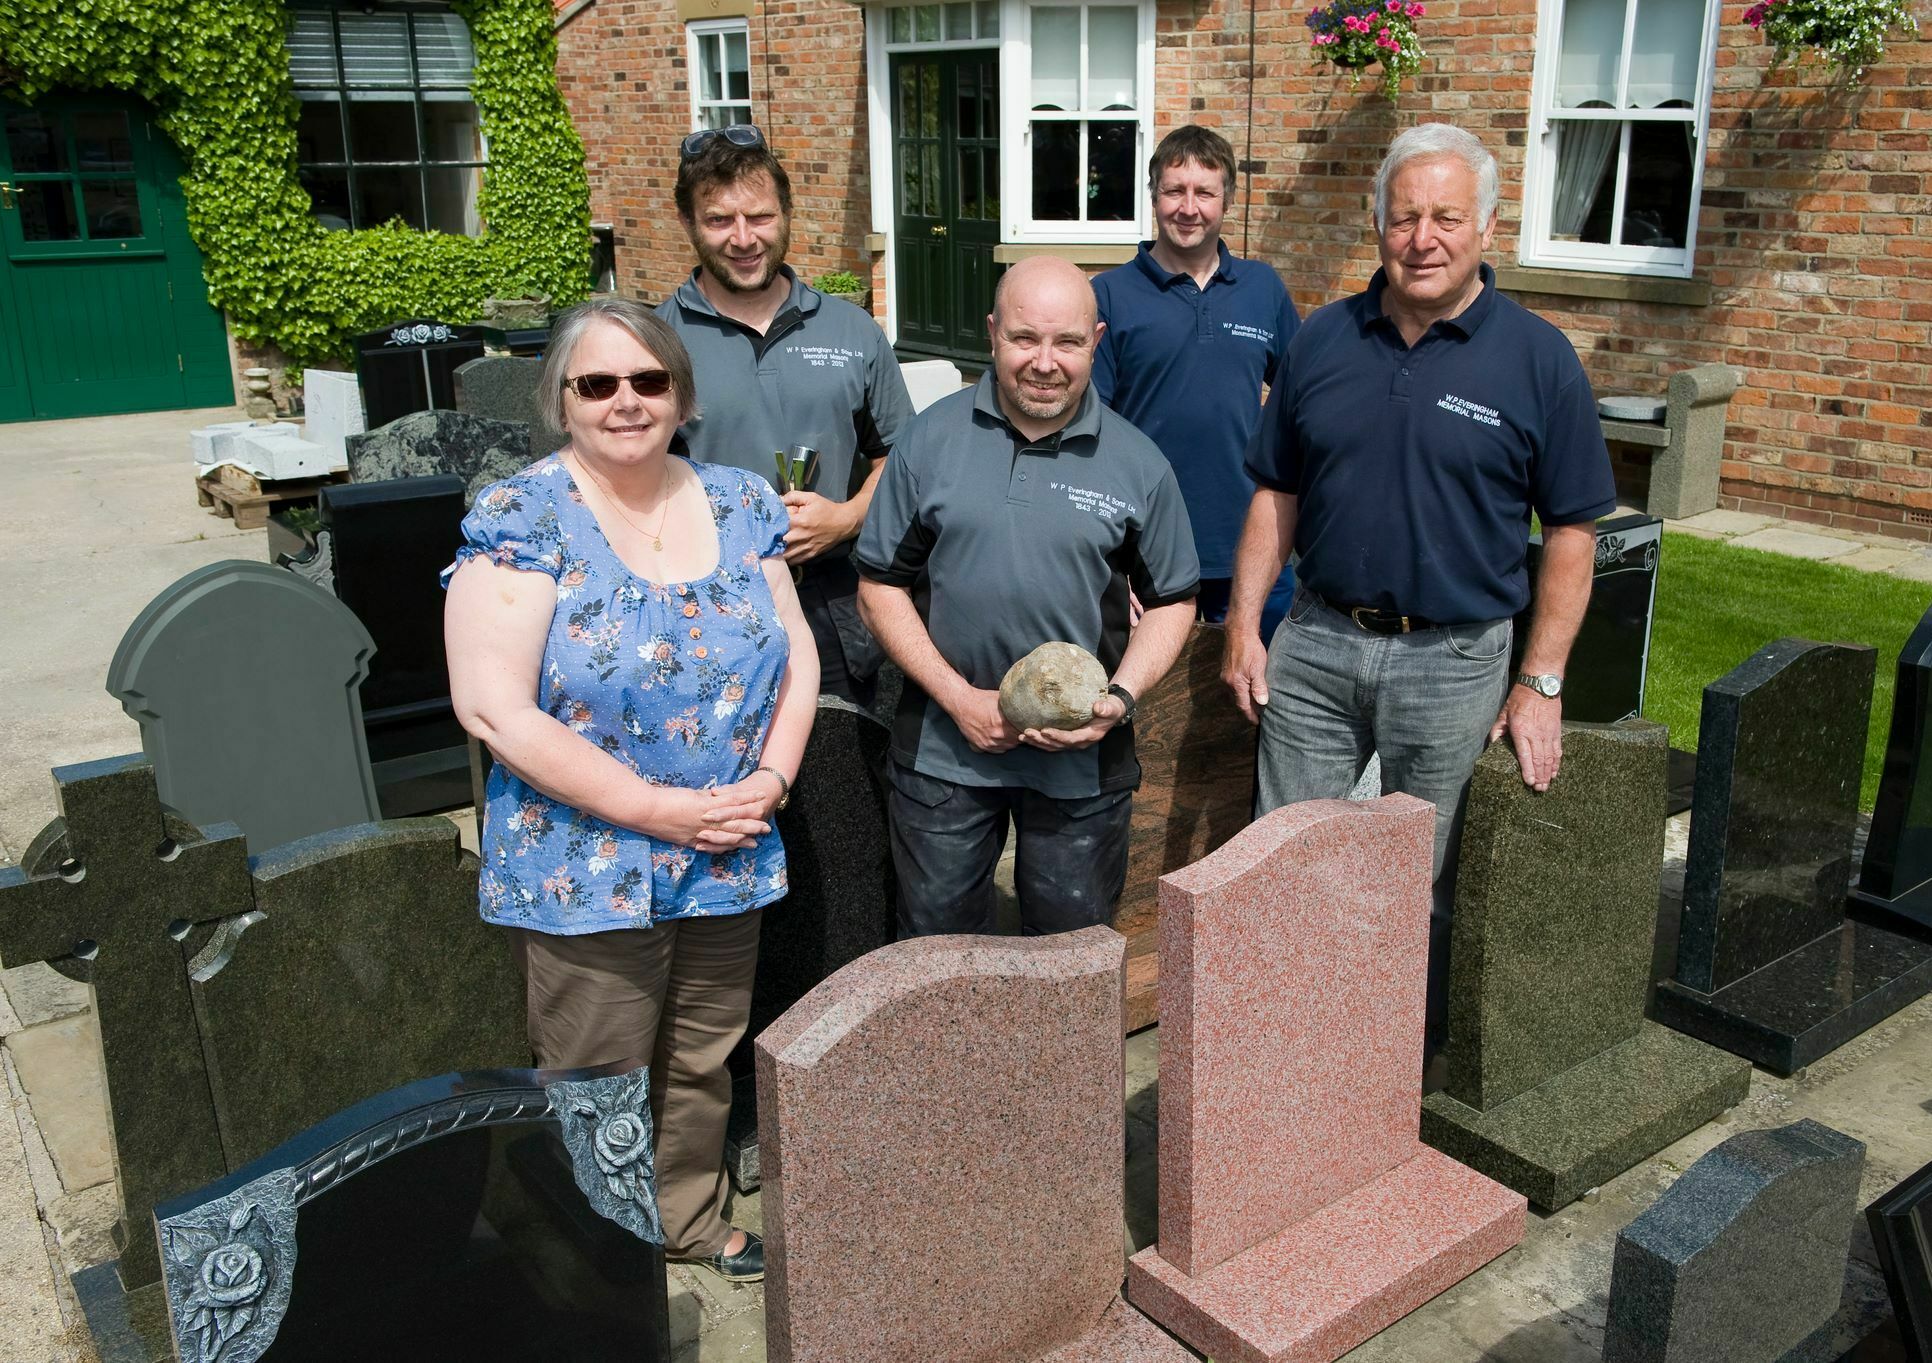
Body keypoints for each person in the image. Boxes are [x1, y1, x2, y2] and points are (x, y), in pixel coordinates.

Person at [443, 296, 819, 1283]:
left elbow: (799, 659)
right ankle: (600, 1256)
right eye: (596, 383)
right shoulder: (525, 516)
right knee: (595, 1071)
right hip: (587, 860)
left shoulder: (741, 501)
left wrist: (773, 777)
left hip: (728, 842)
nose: (624, 401)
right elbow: (493, 709)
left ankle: (688, 1220)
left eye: (647, 380)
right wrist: (660, 811)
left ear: (680, 394)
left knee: (702, 1052)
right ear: (562, 400)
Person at [1221, 123, 1616, 1045]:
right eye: (1404, 218)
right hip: (1315, 645)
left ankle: (1385, 1060)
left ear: (1487, 226)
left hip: (1453, 658)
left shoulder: (1538, 358)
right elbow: (1275, 493)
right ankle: (1287, 1051)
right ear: (1378, 226)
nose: (1422, 238)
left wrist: (1541, 679)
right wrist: (1245, 624)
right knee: (1285, 861)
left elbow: (1570, 534)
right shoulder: (1321, 338)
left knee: (1415, 879)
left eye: (1446, 217)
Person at [855, 256, 1200, 937]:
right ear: (992, 334)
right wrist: (960, 700)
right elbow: (879, 584)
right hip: (945, 755)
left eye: (1067, 342)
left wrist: (1120, 699)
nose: (1045, 362)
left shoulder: (1137, 463)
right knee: (936, 953)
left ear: (1096, 340)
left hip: (1080, 765)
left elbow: (1173, 600)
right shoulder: (931, 439)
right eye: (1024, 338)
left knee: (1067, 956)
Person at [658, 124, 915, 709]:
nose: (744, 239)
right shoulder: (655, 340)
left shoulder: (851, 331)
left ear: (787, 214)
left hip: (833, 601)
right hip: (702, 603)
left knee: (840, 779)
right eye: (720, 220)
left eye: (761, 217)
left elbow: (903, 458)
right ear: (689, 225)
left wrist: (847, 517)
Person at [1091, 124, 1300, 639]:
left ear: (1226, 199)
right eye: (1173, 190)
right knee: (1151, 706)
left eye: (1204, 192)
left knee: (1257, 700)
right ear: (1153, 195)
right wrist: (1104, 556)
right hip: (1144, 545)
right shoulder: (1109, 296)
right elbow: (1088, 433)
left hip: (1250, 541)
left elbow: (1303, 403)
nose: (1189, 208)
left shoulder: (1262, 289)